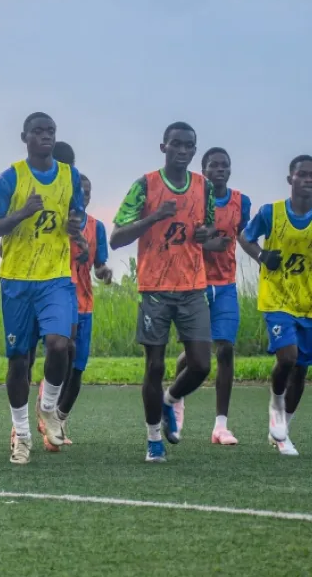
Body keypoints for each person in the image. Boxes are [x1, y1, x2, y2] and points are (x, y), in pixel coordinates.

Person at [0, 113, 85, 465]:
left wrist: (76, 225)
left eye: (50, 131)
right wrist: (22, 213)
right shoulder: (11, 177)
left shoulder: (69, 176)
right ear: (24, 136)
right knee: (17, 362)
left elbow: (77, 216)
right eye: (38, 131)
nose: (45, 136)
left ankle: (48, 407)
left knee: (60, 344)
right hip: (16, 281)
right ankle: (21, 435)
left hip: (55, 277)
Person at [109, 121, 214, 463]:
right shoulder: (146, 185)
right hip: (154, 288)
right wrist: (155, 217)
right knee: (153, 366)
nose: (183, 151)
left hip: (192, 287)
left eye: (189, 146)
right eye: (176, 144)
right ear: (163, 147)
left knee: (200, 365)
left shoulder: (203, 186)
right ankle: (154, 438)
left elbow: (206, 227)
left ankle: (170, 400)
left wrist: (205, 236)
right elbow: (117, 237)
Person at [174, 148, 250, 445]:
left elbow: (244, 235)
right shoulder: (192, 199)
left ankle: (221, 425)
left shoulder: (240, 201)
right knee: (198, 355)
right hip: (196, 283)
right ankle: (177, 400)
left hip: (227, 285)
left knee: (226, 348)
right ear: (203, 169)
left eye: (225, 165)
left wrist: (259, 256)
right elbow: (182, 239)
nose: (220, 169)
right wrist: (208, 245)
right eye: (214, 165)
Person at [239, 155, 312, 456]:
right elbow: (245, 236)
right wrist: (260, 256)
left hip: (307, 302)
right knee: (287, 358)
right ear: (290, 179)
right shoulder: (272, 212)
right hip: (277, 297)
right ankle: (275, 405)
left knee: (300, 371)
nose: (308, 180)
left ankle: (283, 432)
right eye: (303, 174)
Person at [44, 173, 112, 449]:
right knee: (61, 354)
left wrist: (104, 271)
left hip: (85, 304)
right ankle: (46, 414)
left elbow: (99, 265)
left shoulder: (97, 228)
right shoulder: (57, 224)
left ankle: (59, 418)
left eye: (87, 191)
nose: (83, 196)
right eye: (78, 191)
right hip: (59, 300)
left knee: (78, 369)